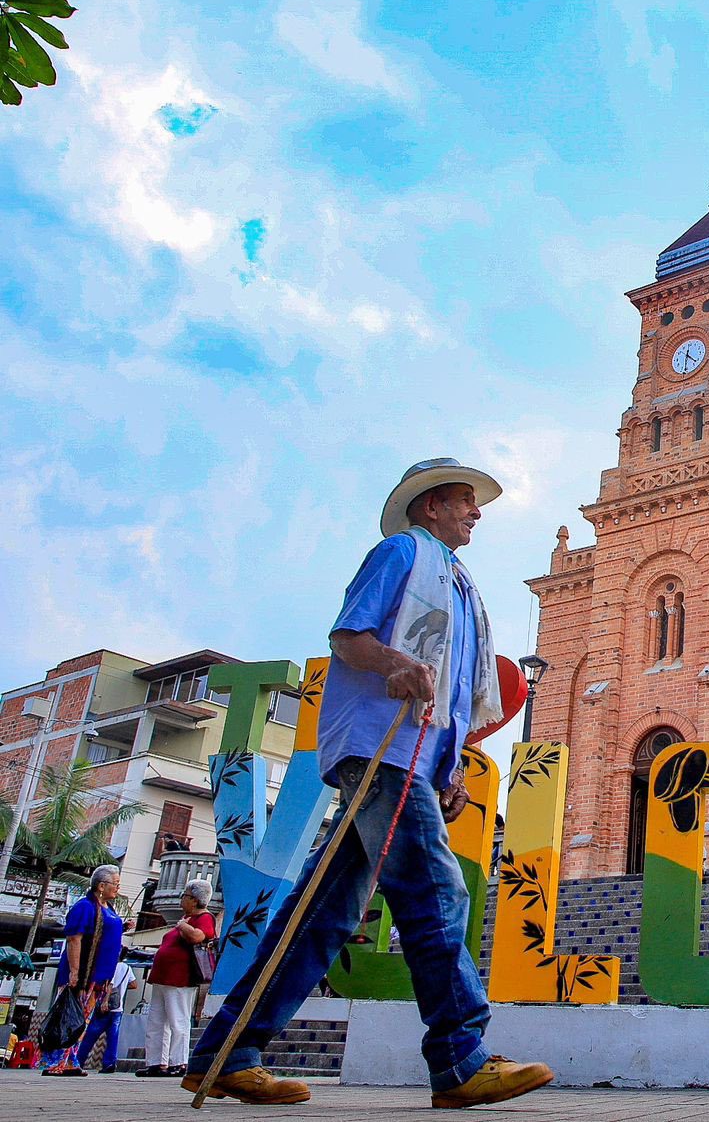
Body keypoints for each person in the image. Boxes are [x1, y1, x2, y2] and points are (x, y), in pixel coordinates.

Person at [185, 458, 552, 1109]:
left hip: (412, 759)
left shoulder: (461, 583)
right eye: (466, 501)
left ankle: (226, 1052)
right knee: (436, 892)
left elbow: (450, 692)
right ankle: (459, 1058)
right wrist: (393, 661)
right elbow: (350, 635)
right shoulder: (400, 555)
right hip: (377, 753)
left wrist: (451, 766)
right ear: (431, 506)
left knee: (323, 915)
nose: (477, 512)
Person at [42, 864, 124, 1075]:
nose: (118, 887)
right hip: (83, 975)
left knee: (83, 1020)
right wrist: (75, 972)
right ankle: (56, 1062)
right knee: (69, 1017)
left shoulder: (108, 909)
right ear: (101, 885)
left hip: (100, 978)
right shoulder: (85, 907)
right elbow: (74, 939)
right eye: (115, 883)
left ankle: (71, 1060)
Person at [140, 878, 215, 1077]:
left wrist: (182, 926)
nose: (182, 900)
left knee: (178, 1020)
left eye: (185, 896)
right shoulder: (185, 919)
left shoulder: (204, 918)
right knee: (157, 1021)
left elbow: (198, 937)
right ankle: (156, 1061)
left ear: (195, 900)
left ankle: (178, 1062)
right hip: (163, 977)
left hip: (180, 978)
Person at [78, 947, 135, 1074]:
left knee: (91, 1035)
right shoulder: (127, 968)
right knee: (113, 1037)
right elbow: (134, 984)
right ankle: (109, 1063)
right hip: (118, 1008)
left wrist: (105, 1001)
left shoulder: (112, 966)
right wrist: (122, 990)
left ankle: (79, 1060)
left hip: (105, 1007)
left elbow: (110, 984)